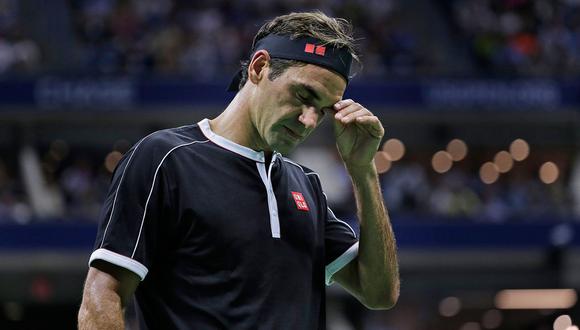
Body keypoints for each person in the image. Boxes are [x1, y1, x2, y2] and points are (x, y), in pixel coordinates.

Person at [78, 11, 399, 330]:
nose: (310, 120)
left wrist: (363, 171)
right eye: (303, 95)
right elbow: (103, 296)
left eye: (323, 110)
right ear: (260, 67)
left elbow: (379, 293)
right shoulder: (164, 158)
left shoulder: (306, 184)